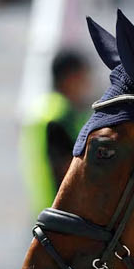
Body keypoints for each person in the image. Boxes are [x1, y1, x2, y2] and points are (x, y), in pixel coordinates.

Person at [20, 48, 92, 211]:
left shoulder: (44, 110)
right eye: (83, 77)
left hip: (45, 207)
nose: (87, 83)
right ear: (70, 78)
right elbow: (69, 167)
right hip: (64, 210)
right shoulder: (60, 114)